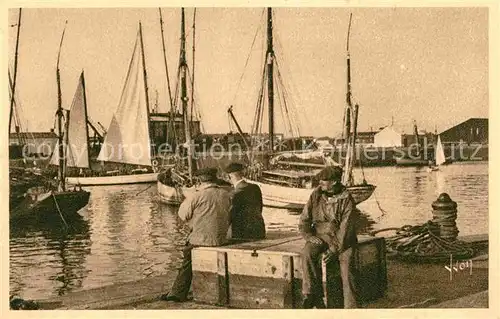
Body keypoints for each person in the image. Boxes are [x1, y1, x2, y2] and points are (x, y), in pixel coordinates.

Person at [160, 167, 232, 302]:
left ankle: (177, 293)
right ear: (214, 179)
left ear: (199, 181)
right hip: (221, 239)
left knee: (187, 259)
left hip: (201, 240)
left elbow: (182, 215)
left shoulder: (196, 196)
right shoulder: (225, 194)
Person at [298, 165, 359, 309]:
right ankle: (312, 295)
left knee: (347, 266)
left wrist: (333, 250)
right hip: (320, 236)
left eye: (323, 181)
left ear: (334, 182)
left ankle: (351, 307)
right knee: (307, 253)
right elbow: (304, 219)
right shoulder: (315, 195)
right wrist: (308, 236)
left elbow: (346, 228)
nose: (320, 183)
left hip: (343, 240)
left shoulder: (347, 199)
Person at [225, 162, 266, 240]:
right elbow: (260, 208)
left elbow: (230, 215)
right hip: (259, 231)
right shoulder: (255, 188)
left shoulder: (233, 193)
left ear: (230, 176)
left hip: (241, 234)